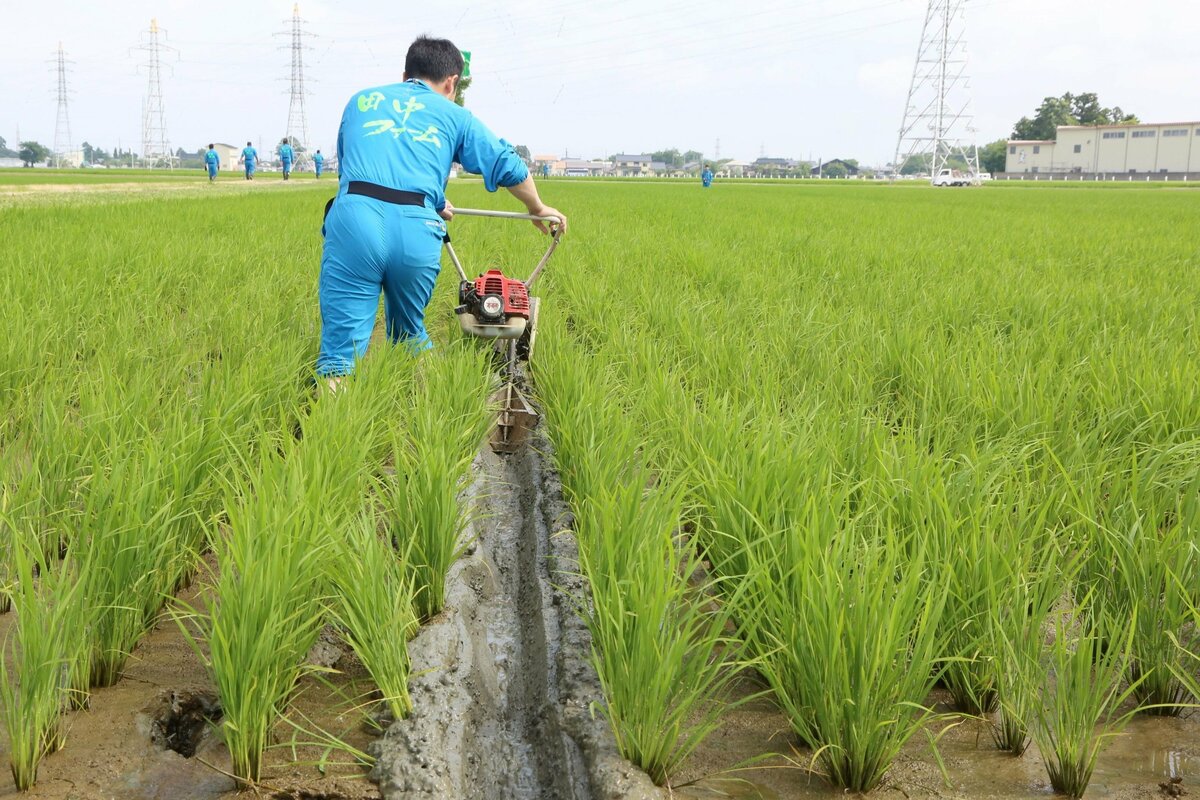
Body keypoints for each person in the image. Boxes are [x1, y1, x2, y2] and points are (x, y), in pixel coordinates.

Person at [317, 35, 566, 384]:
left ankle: (335, 414)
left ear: (405, 74)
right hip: (417, 231)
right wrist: (537, 207)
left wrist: (430, 199)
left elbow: (356, 175)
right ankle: (422, 409)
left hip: (355, 222)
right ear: (451, 83)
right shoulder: (455, 115)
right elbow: (509, 165)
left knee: (340, 353)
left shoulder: (360, 101)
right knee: (407, 332)